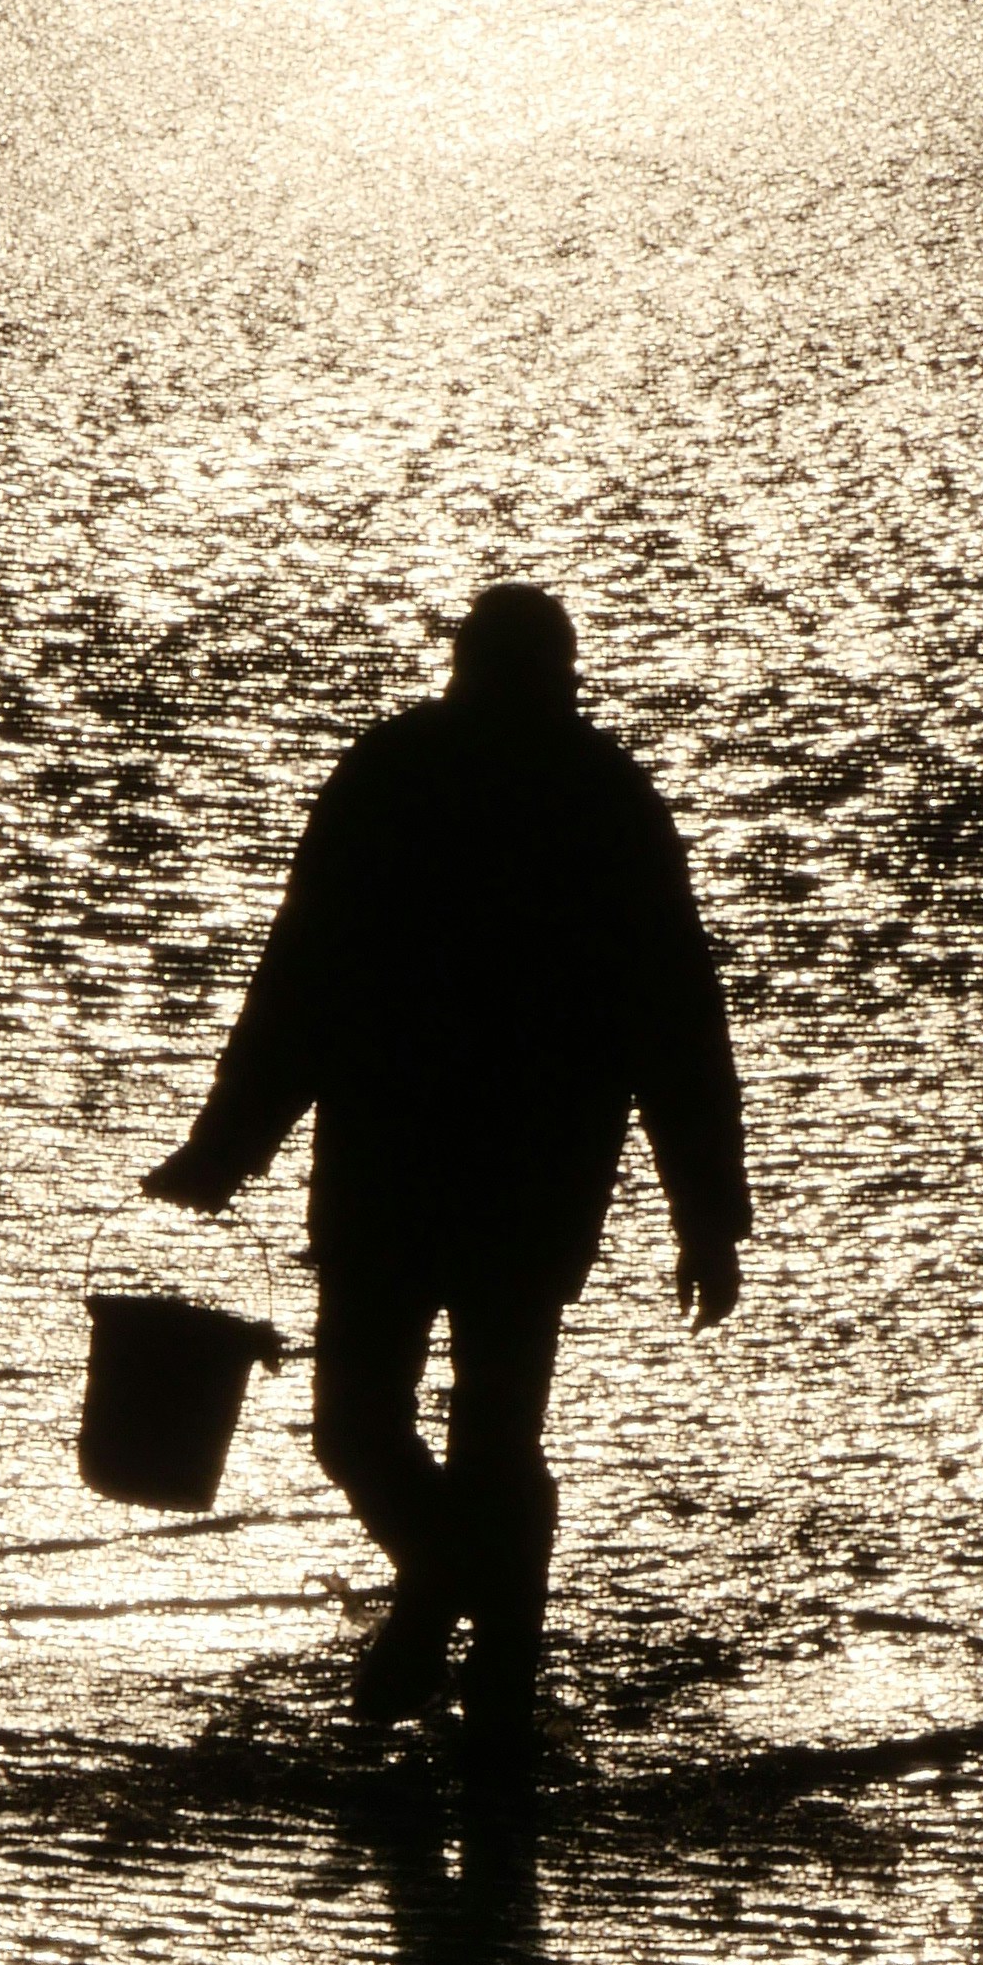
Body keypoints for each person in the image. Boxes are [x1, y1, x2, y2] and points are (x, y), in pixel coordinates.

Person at [141, 582, 746, 1749]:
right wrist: (225, 1147)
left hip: (430, 1166)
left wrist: (707, 1213)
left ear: (469, 668)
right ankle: (463, 1629)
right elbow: (676, 1020)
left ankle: (479, 1662)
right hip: (502, 1172)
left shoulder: (441, 778)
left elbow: (301, 978)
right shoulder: (585, 796)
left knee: (417, 1433)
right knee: (401, 1432)